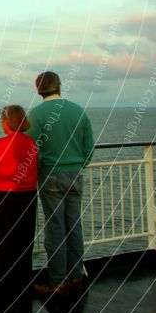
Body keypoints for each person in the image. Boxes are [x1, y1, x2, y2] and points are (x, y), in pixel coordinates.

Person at [25, 71, 94, 296]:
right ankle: (76, 276)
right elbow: (89, 145)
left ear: (38, 90)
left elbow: (32, 149)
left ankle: (57, 282)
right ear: (59, 86)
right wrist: (79, 164)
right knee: (74, 226)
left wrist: (42, 167)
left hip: (51, 175)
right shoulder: (77, 111)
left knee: (55, 228)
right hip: (74, 173)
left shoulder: (36, 114)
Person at [0, 105, 38, 307]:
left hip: (5, 198)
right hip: (28, 198)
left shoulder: (2, 144)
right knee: (24, 244)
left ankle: (5, 295)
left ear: (7, 122)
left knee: (4, 246)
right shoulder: (32, 143)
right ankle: (23, 290)